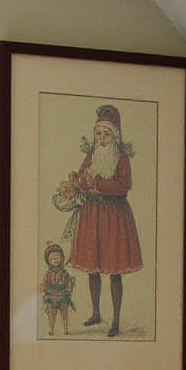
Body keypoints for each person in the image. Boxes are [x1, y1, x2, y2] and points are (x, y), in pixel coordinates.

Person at [64, 103, 142, 339]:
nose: (102, 138)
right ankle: (96, 312)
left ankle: (116, 320)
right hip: (92, 215)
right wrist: (77, 184)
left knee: (114, 269)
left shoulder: (121, 159)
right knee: (93, 267)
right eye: (99, 133)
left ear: (115, 135)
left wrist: (96, 184)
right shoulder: (91, 156)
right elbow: (82, 180)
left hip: (114, 217)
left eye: (107, 133)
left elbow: (123, 187)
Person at [40, 241, 76, 335]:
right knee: (51, 314)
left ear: (62, 258)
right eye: (52, 258)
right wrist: (44, 291)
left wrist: (69, 290)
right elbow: (44, 283)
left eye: (57, 257)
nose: (55, 259)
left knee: (64, 313)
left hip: (63, 296)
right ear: (48, 261)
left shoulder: (65, 273)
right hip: (51, 297)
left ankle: (65, 328)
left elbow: (69, 283)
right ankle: (51, 327)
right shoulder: (48, 274)